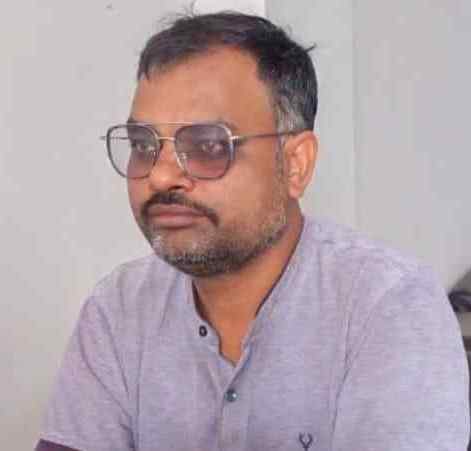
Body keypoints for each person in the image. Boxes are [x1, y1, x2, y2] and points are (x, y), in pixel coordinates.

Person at [36, 11, 469, 451]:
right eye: (143, 144)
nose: (161, 176)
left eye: (207, 145)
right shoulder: (120, 308)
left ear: (295, 164)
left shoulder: (386, 303)